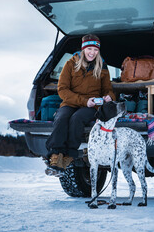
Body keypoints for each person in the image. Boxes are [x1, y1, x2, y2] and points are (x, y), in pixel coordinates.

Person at [45, 34, 115, 176]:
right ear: (83, 49)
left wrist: (109, 97)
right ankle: (55, 156)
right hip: (71, 102)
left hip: (91, 106)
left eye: (95, 50)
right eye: (89, 49)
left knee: (77, 118)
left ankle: (69, 156)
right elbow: (62, 89)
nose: (92, 53)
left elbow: (108, 90)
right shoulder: (71, 64)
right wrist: (83, 101)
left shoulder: (102, 66)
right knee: (61, 117)